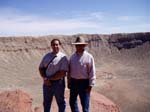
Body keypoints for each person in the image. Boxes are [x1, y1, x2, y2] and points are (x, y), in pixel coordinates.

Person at [39, 39, 68, 112]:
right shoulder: (47, 56)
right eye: (53, 45)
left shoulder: (63, 57)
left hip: (58, 83)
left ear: (59, 45)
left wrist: (50, 79)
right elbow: (41, 68)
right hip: (47, 83)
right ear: (51, 46)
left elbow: (62, 73)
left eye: (57, 44)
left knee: (61, 102)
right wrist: (45, 78)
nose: (55, 46)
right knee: (46, 102)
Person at [68, 36, 96, 112]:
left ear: (84, 46)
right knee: (72, 102)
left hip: (84, 83)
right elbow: (69, 70)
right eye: (77, 45)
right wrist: (69, 81)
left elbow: (92, 71)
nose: (78, 46)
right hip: (74, 83)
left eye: (80, 45)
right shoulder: (72, 57)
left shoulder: (89, 57)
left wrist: (90, 85)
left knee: (85, 105)